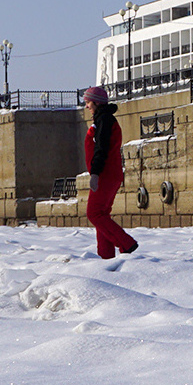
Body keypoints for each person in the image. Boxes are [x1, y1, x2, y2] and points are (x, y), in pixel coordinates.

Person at [81, 86, 137, 260]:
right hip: (111, 173)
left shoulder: (104, 120)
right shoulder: (103, 119)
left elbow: (101, 148)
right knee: (102, 215)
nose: (86, 106)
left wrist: (96, 173)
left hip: (105, 174)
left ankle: (126, 244)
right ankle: (106, 257)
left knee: (94, 213)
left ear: (96, 103)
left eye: (88, 102)